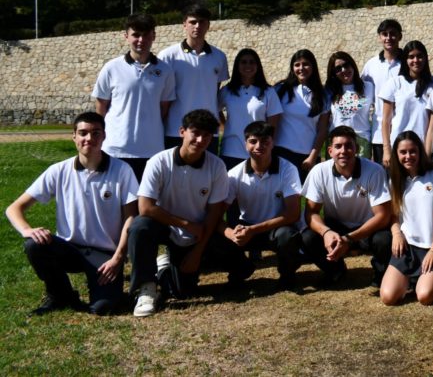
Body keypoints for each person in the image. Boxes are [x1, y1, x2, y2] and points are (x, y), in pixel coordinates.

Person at [5, 112, 138, 316]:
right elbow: (14, 208)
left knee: (103, 308)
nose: (89, 138)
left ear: (104, 136)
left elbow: (131, 217)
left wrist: (118, 258)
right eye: (83, 133)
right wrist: (27, 230)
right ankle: (60, 295)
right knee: (34, 245)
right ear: (74, 136)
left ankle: (109, 293)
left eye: (96, 133)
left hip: (104, 254)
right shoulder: (59, 170)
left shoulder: (122, 170)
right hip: (69, 249)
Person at [127, 109, 230, 318]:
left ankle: (164, 266)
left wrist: (197, 253)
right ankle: (146, 288)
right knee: (140, 226)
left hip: (194, 233)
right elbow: (145, 207)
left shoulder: (217, 166)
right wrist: (185, 223)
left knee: (183, 292)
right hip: (164, 224)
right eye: (195, 133)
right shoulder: (158, 161)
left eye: (207, 135)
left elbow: (214, 213)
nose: (200, 140)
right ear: (182, 131)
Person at [300, 125, 392, 288]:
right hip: (336, 227)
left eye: (349, 146)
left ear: (356, 148)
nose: (343, 151)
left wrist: (349, 239)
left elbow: (383, 216)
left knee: (384, 239)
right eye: (338, 146)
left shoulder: (375, 171)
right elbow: (311, 212)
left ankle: (380, 274)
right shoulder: (319, 171)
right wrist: (326, 232)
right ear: (330, 151)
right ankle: (335, 270)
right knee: (308, 238)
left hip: (367, 228)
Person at [92, 13, 177, 181]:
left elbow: (164, 108)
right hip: (115, 148)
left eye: (146, 35)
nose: (141, 40)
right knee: (113, 196)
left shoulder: (165, 70)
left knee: (145, 198)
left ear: (153, 36)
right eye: (136, 35)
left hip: (151, 150)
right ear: (126, 36)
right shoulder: (111, 68)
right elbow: (101, 106)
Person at [220, 121, 303, 290]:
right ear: (245, 144)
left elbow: (293, 214)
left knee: (288, 236)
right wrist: (231, 234)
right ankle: (240, 269)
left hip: (276, 227)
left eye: (265, 141)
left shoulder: (288, 169)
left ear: (273, 143)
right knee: (217, 237)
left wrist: (253, 230)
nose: (259, 146)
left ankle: (287, 274)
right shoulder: (234, 174)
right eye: (253, 141)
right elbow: (217, 214)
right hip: (247, 227)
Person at [380, 131, 433, 306]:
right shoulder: (395, 181)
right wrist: (396, 233)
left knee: (425, 296)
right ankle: (413, 279)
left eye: (413, 151)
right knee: (388, 297)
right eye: (403, 152)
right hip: (408, 247)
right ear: (396, 155)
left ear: (420, 152)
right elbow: (394, 215)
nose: (408, 156)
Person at [159, 5, 229, 153]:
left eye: (202, 22)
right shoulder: (168, 56)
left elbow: (215, 91)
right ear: (184, 24)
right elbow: (161, 95)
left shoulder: (219, 57)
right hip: (175, 130)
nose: (197, 26)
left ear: (208, 25)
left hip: (208, 131)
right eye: (193, 22)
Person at [218, 48, 282, 171]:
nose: (248, 65)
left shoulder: (268, 92)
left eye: (252, 62)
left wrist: (267, 146)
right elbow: (215, 109)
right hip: (230, 150)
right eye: (243, 62)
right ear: (237, 66)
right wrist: (224, 126)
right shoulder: (227, 91)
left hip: (257, 151)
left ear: (258, 66)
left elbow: (273, 124)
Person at [274, 49, 331, 179]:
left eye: (305, 64)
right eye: (297, 65)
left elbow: (322, 130)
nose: (301, 68)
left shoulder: (322, 95)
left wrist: (312, 156)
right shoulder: (280, 90)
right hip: (282, 153)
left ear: (313, 66)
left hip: (308, 157)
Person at [380, 41, 433, 168]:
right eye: (411, 57)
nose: (416, 60)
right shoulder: (395, 83)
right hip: (399, 147)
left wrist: (427, 152)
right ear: (405, 60)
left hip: (423, 148)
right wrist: (386, 150)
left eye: (419, 56)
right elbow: (386, 121)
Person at [362, 19, 404, 163]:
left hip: (405, 130)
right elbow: (362, 93)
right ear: (379, 37)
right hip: (379, 133)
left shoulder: (409, 63)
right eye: (384, 34)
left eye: (393, 34)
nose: (388, 38)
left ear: (400, 36)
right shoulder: (371, 65)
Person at [325, 50, 374, 158]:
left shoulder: (369, 87)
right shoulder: (330, 91)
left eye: (346, 65)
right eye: (338, 69)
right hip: (337, 142)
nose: (343, 70)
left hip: (361, 141)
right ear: (333, 73)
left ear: (352, 65)